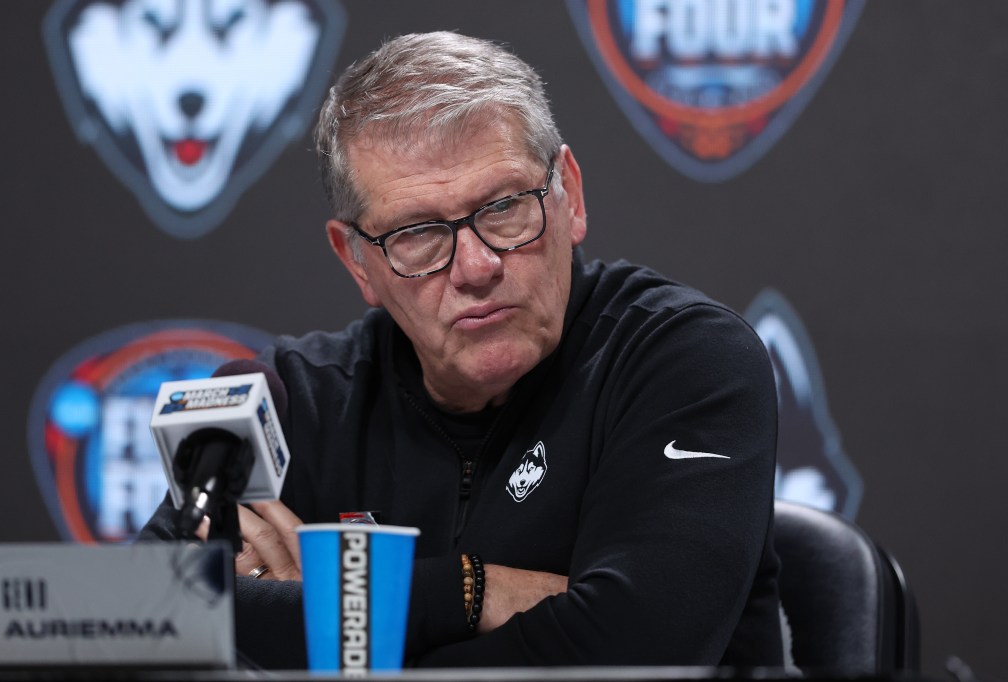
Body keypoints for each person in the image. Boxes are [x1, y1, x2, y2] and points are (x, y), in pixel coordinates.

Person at [140, 30, 783, 669]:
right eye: (418, 233)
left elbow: (641, 650)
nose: (475, 267)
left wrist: (349, 615)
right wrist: (481, 592)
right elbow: (135, 619)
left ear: (570, 197)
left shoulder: (685, 360)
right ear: (358, 261)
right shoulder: (293, 402)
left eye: (504, 208)